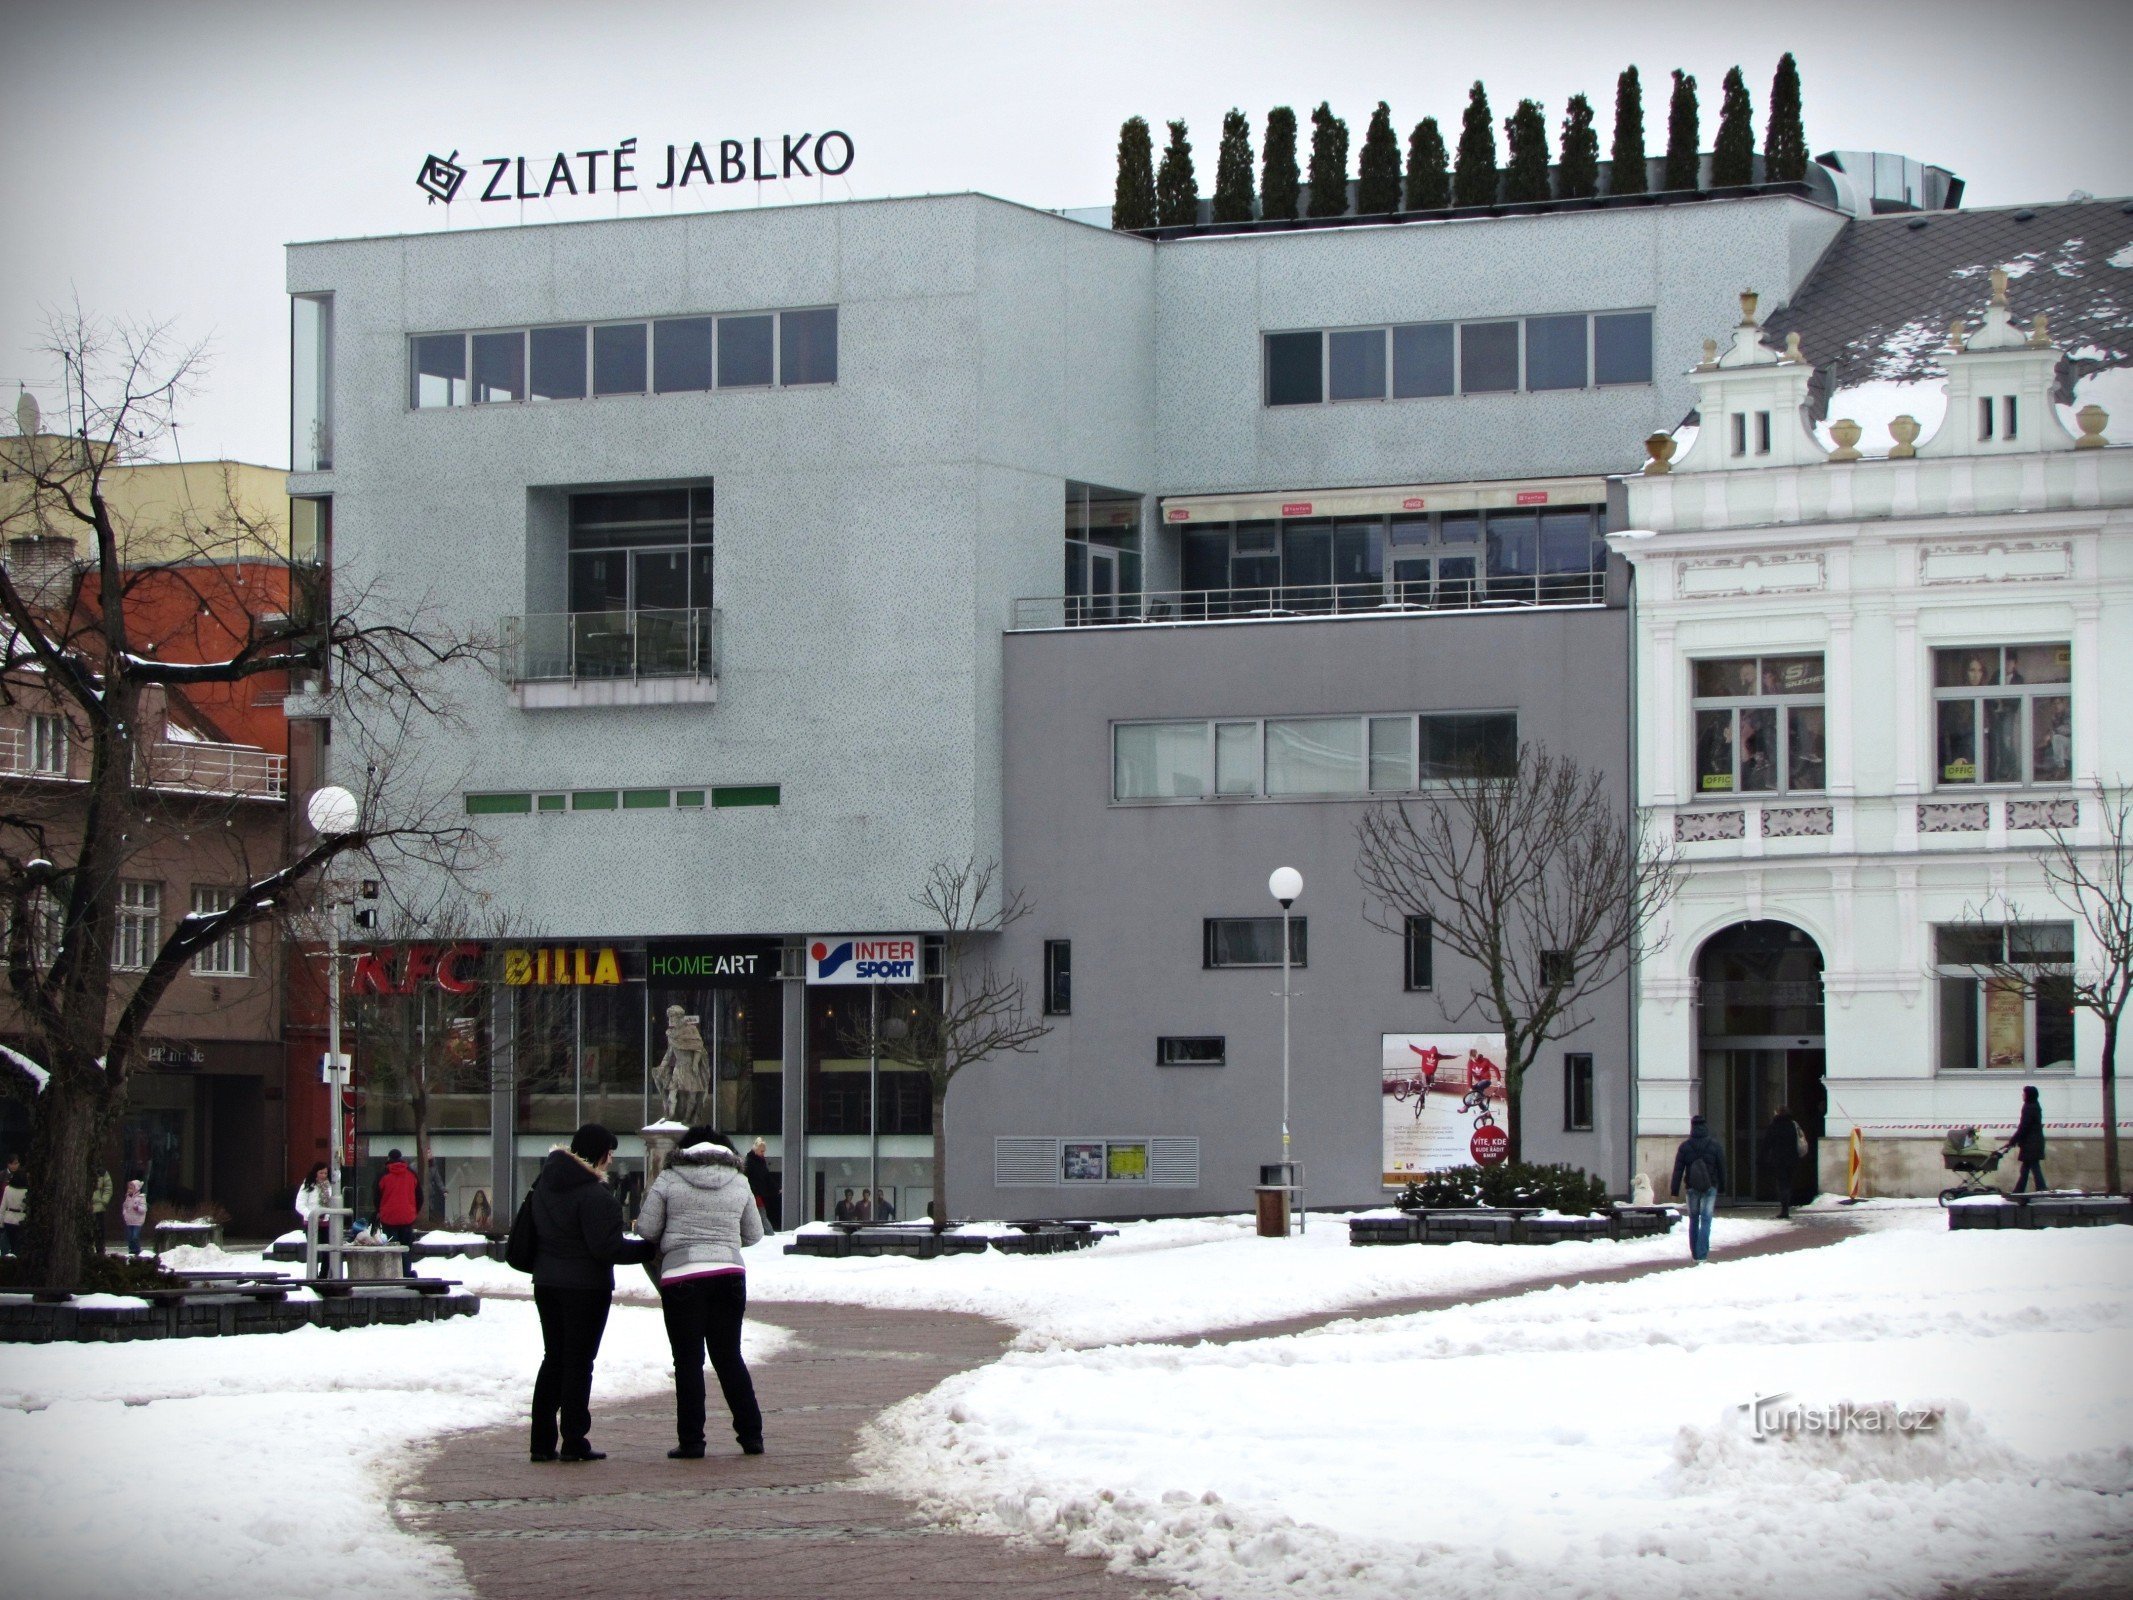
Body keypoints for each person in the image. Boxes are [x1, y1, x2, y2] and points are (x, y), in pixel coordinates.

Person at [636, 1128, 765, 1459]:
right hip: (729, 1276)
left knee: (688, 1361)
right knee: (729, 1356)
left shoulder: (668, 1178)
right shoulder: (739, 1180)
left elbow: (647, 1230)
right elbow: (753, 1234)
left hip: (682, 1277)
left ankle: (692, 1441)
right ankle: (751, 1435)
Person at [527, 1124, 647, 1463]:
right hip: (585, 1289)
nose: (610, 1161)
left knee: (553, 1359)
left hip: (547, 1283)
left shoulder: (545, 1185)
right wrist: (646, 1250)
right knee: (579, 1363)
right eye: (609, 1153)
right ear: (600, 1154)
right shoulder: (595, 1195)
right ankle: (574, 1440)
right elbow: (606, 1247)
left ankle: (541, 1442)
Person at [1670, 1115, 1726, 1265]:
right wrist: (1723, 1186)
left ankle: (1695, 1253)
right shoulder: (1714, 1145)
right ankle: (1702, 1254)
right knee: (1706, 1219)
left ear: (1692, 1127)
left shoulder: (1685, 1146)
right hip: (1710, 1186)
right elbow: (1721, 1167)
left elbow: (1678, 1169)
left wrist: (1674, 1189)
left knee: (1693, 1219)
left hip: (1692, 1187)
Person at [1758, 1106, 1804, 1219]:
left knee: (1781, 1183)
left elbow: (1767, 1143)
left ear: (1778, 1114)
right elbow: (1799, 1139)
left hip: (1778, 1160)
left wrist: (1761, 1158)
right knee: (1788, 1183)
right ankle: (1786, 1207)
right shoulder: (1793, 1125)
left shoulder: (1774, 1126)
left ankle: (1784, 1209)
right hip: (1792, 1159)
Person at [2001, 1086, 2048, 1194]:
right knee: (2027, 1168)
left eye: (2024, 1093)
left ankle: (2040, 1188)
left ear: (2029, 1095)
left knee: (2033, 1167)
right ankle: (2021, 1190)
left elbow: (2024, 1127)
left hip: (2031, 1143)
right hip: (2034, 1142)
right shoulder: (2035, 1105)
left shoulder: (2029, 1107)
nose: (2022, 1095)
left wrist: (2012, 1141)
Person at [373, 1149, 420, 1249]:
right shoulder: (411, 1174)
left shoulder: (383, 1174)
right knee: (406, 1249)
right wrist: (414, 1212)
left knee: (391, 1250)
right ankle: (406, 1265)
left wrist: (380, 1211)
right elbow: (420, 1196)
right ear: (401, 1158)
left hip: (388, 1218)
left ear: (389, 1158)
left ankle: (393, 1265)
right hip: (407, 1217)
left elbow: (376, 1196)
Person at [743, 1138, 773, 1232]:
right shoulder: (750, 1162)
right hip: (754, 1192)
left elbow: (766, 1176)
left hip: (757, 1192)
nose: (763, 1153)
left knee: (759, 1214)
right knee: (761, 1214)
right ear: (756, 1149)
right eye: (762, 1151)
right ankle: (769, 1233)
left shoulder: (759, 1161)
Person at [1, 1158, 26, 1256]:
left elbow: (3, 1206)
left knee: (7, 1246)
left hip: (8, 1219)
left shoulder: (7, 1189)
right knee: (18, 1247)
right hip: (21, 1220)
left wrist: (0, 1223)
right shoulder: (26, 1192)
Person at [295, 1162, 331, 1231]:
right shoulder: (307, 1186)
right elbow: (299, 1205)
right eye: (321, 1173)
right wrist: (311, 1215)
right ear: (315, 1173)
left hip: (326, 1223)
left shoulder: (329, 1187)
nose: (323, 1175)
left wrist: (328, 1215)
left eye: (325, 1173)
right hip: (310, 1222)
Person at [120, 1179, 148, 1257]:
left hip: (137, 1221)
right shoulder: (127, 1198)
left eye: (131, 1188)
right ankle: (131, 1250)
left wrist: (138, 1208)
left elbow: (144, 1209)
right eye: (128, 1188)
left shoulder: (141, 1198)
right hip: (129, 1221)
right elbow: (125, 1207)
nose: (129, 1190)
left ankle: (136, 1251)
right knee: (129, 1237)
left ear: (136, 1189)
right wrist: (124, 1213)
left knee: (135, 1236)